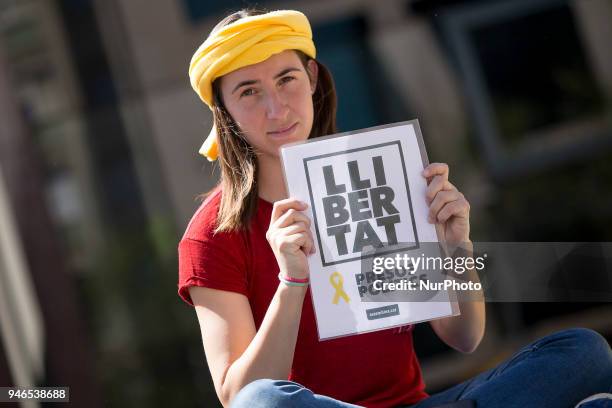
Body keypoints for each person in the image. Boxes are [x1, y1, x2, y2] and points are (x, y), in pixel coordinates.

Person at [178, 8, 612, 408]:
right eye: (249, 91)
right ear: (225, 112)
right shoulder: (213, 234)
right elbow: (240, 396)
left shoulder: (382, 177)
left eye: (286, 78)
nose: (276, 107)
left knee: (583, 351)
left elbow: (464, 338)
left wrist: (455, 245)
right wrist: (291, 280)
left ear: (311, 77)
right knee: (265, 403)